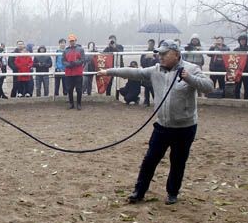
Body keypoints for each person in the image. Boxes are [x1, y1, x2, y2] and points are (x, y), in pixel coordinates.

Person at [98, 40, 213, 205]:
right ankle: (139, 191)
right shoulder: (155, 70)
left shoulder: (191, 69)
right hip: (162, 126)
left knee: (178, 161)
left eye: (165, 53)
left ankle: (172, 192)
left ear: (176, 54)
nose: (161, 56)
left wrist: (190, 78)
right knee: (150, 159)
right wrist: (109, 71)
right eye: (160, 53)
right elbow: (134, 72)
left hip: (185, 127)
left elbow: (208, 87)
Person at [62, 34, 86, 110]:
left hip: (78, 72)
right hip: (69, 72)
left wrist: (75, 63)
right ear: (69, 41)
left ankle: (79, 104)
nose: (72, 42)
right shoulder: (66, 50)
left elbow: (82, 60)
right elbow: (63, 61)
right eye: (70, 41)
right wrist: (69, 64)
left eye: (73, 40)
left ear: (75, 40)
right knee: (69, 89)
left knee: (79, 89)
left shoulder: (80, 49)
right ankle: (71, 103)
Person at [233, 35, 248, 100]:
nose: (242, 41)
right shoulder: (236, 50)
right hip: (238, 71)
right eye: (241, 40)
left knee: (247, 87)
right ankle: (237, 99)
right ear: (239, 41)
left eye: (244, 40)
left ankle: (247, 100)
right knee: (237, 87)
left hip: (247, 70)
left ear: (246, 41)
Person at [140, 39, 159, 107]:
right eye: (149, 43)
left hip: (154, 72)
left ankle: (156, 101)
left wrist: (154, 58)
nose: (150, 45)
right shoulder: (144, 53)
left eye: (152, 44)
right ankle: (146, 101)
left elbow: (159, 62)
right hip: (146, 71)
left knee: (153, 87)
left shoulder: (157, 52)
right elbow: (142, 63)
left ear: (154, 44)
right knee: (146, 87)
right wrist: (145, 58)